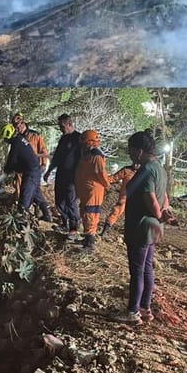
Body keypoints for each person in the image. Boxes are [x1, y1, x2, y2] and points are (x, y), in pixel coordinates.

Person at [114, 131, 171, 325]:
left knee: (137, 270)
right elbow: (165, 197)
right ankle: (145, 308)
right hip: (154, 228)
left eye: (131, 150)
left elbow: (150, 198)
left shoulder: (146, 169)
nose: (130, 155)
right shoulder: (159, 169)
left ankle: (132, 312)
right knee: (147, 268)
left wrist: (158, 213)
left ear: (139, 151)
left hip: (141, 227)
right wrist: (163, 215)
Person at [3, 123, 53, 222]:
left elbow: (12, 160)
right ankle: (48, 215)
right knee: (36, 194)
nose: (7, 142)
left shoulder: (16, 142)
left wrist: (7, 169)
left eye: (6, 140)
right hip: (33, 171)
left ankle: (22, 221)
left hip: (31, 173)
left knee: (24, 197)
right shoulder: (21, 140)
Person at [45, 114, 82, 241]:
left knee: (70, 201)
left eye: (62, 126)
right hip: (61, 174)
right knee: (59, 201)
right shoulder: (63, 139)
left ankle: (74, 228)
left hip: (72, 176)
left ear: (69, 124)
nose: (61, 129)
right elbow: (57, 158)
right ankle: (64, 223)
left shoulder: (79, 139)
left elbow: (84, 158)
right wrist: (49, 171)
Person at [74, 129, 110, 251]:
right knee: (84, 212)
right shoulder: (87, 154)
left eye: (84, 142)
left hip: (94, 190)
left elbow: (101, 173)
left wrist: (107, 183)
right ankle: (86, 237)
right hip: (87, 189)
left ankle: (90, 243)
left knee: (90, 213)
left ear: (90, 142)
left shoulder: (97, 155)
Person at [99, 161, 141, 237]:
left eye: (138, 163)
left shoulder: (143, 173)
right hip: (124, 197)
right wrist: (102, 180)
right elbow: (113, 178)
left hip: (137, 199)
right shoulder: (126, 170)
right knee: (116, 212)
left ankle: (134, 234)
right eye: (135, 162)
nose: (136, 164)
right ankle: (105, 230)